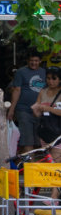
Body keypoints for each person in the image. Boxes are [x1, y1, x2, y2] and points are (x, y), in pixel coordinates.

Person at [8, 51, 46, 155]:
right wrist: (11, 110)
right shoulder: (21, 72)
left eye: (36, 61)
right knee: (27, 140)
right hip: (23, 110)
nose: (34, 63)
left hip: (40, 111)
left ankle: (34, 165)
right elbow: (16, 91)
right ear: (27, 61)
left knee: (40, 141)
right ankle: (30, 168)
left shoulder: (45, 72)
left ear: (40, 61)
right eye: (31, 61)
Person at [32, 66, 61, 202]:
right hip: (45, 131)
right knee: (50, 162)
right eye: (48, 78)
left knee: (56, 163)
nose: (51, 81)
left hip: (58, 131)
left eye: (54, 78)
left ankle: (54, 195)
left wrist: (47, 108)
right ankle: (53, 193)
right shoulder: (43, 92)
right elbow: (37, 111)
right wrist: (36, 110)